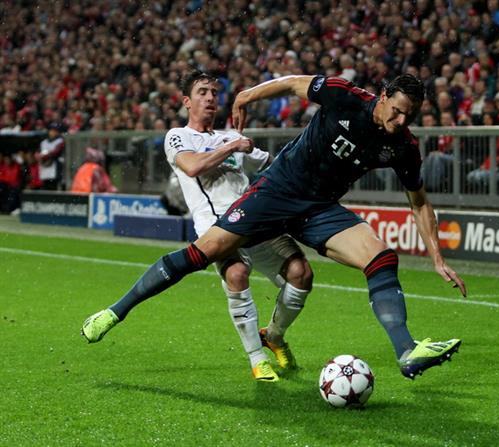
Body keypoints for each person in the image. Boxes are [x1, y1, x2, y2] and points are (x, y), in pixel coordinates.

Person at [82, 73, 467, 380]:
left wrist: (436, 257)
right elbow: (293, 83)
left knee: (381, 258)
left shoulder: (403, 147)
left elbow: (419, 201)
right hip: (278, 191)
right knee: (204, 253)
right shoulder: (345, 96)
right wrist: (246, 96)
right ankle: (115, 312)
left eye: (409, 117)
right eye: (397, 112)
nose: (401, 122)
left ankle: (406, 351)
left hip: (319, 208)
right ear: (383, 96)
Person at [83, 71, 313, 383]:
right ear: (187, 102)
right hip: (216, 227)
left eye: (214, 93)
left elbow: (274, 166)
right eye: (202, 92)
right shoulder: (179, 136)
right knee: (237, 274)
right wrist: (233, 148)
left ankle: (274, 335)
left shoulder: (232, 137)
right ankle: (257, 359)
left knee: (301, 273)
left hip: (255, 219)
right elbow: (192, 166)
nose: (210, 97)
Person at [37, 122, 65, 190]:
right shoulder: (43, 142)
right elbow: (37, 154)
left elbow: (55, 152)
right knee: (45, 188)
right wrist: (40, 157)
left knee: (53, 188)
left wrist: (44, 156)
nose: (53, 132)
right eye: (51, 130)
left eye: (55, 131)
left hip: (54, 170)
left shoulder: (60, 141)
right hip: (44, 169)